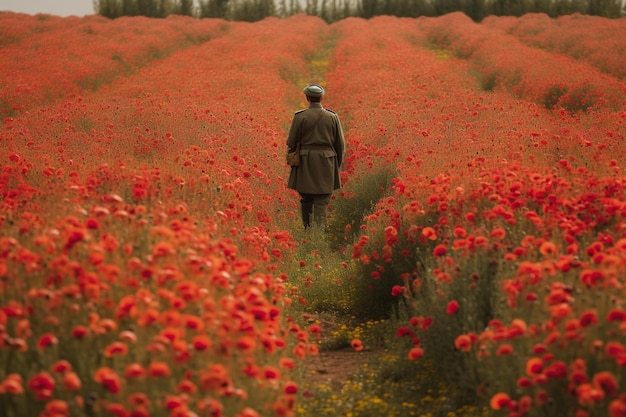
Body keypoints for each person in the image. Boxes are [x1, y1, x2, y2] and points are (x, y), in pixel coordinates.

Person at [287, 84, 345, 229]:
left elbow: (292, 143)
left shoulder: (300, 117)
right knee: (321, 200)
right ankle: (318, 234)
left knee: (306, 198)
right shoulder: (332, 117)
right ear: (321, 98)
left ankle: (308, 230)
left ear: (307, 98)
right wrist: (336, 165)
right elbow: (340, 144)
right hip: (327, 162)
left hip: (305, 162)